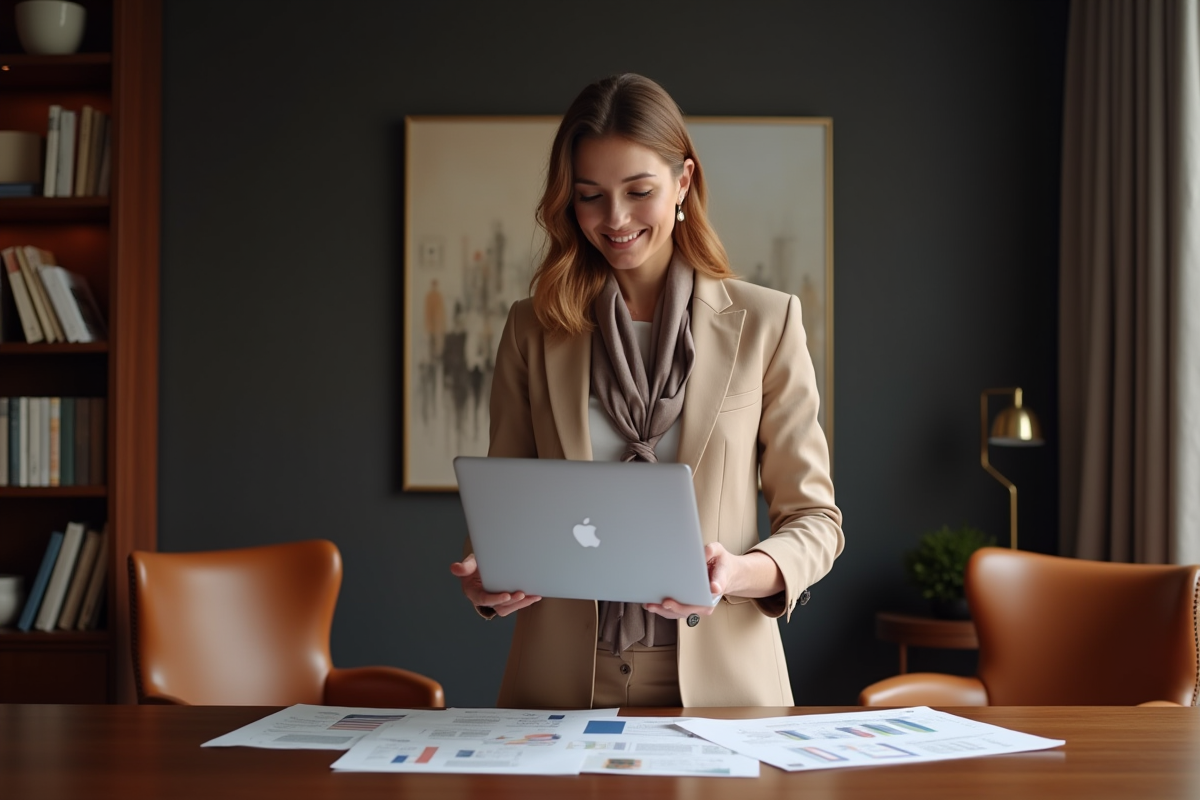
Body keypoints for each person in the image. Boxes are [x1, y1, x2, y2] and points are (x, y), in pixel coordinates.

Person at [450, 73, 843, 709]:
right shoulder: (531, 328)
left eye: (639, 191)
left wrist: (736, 574)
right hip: (561, 684)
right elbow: (505, 504)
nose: (616, 219)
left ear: (684, 182)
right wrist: (486, 574)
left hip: (726, 686)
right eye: (590, 197)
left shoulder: (768, 322)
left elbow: (816, 522)